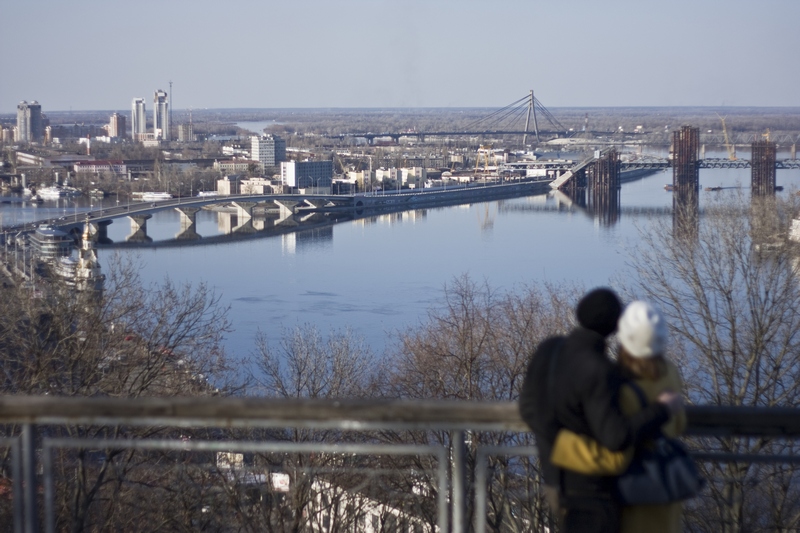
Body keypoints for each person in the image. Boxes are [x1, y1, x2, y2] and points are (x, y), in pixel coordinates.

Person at [519, 288, 681, 533]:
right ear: (615, 328)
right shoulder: (599, 370)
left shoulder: (548, 350)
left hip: (553, 480)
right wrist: (662, 409)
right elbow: (616, 437)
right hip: (589, 493)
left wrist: (554, 441)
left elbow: (527, 408)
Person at [615, 301, 687, 533]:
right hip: (664, 477)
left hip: (632, 480)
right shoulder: (670, 372)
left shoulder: (618, 380)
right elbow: (679, 424)